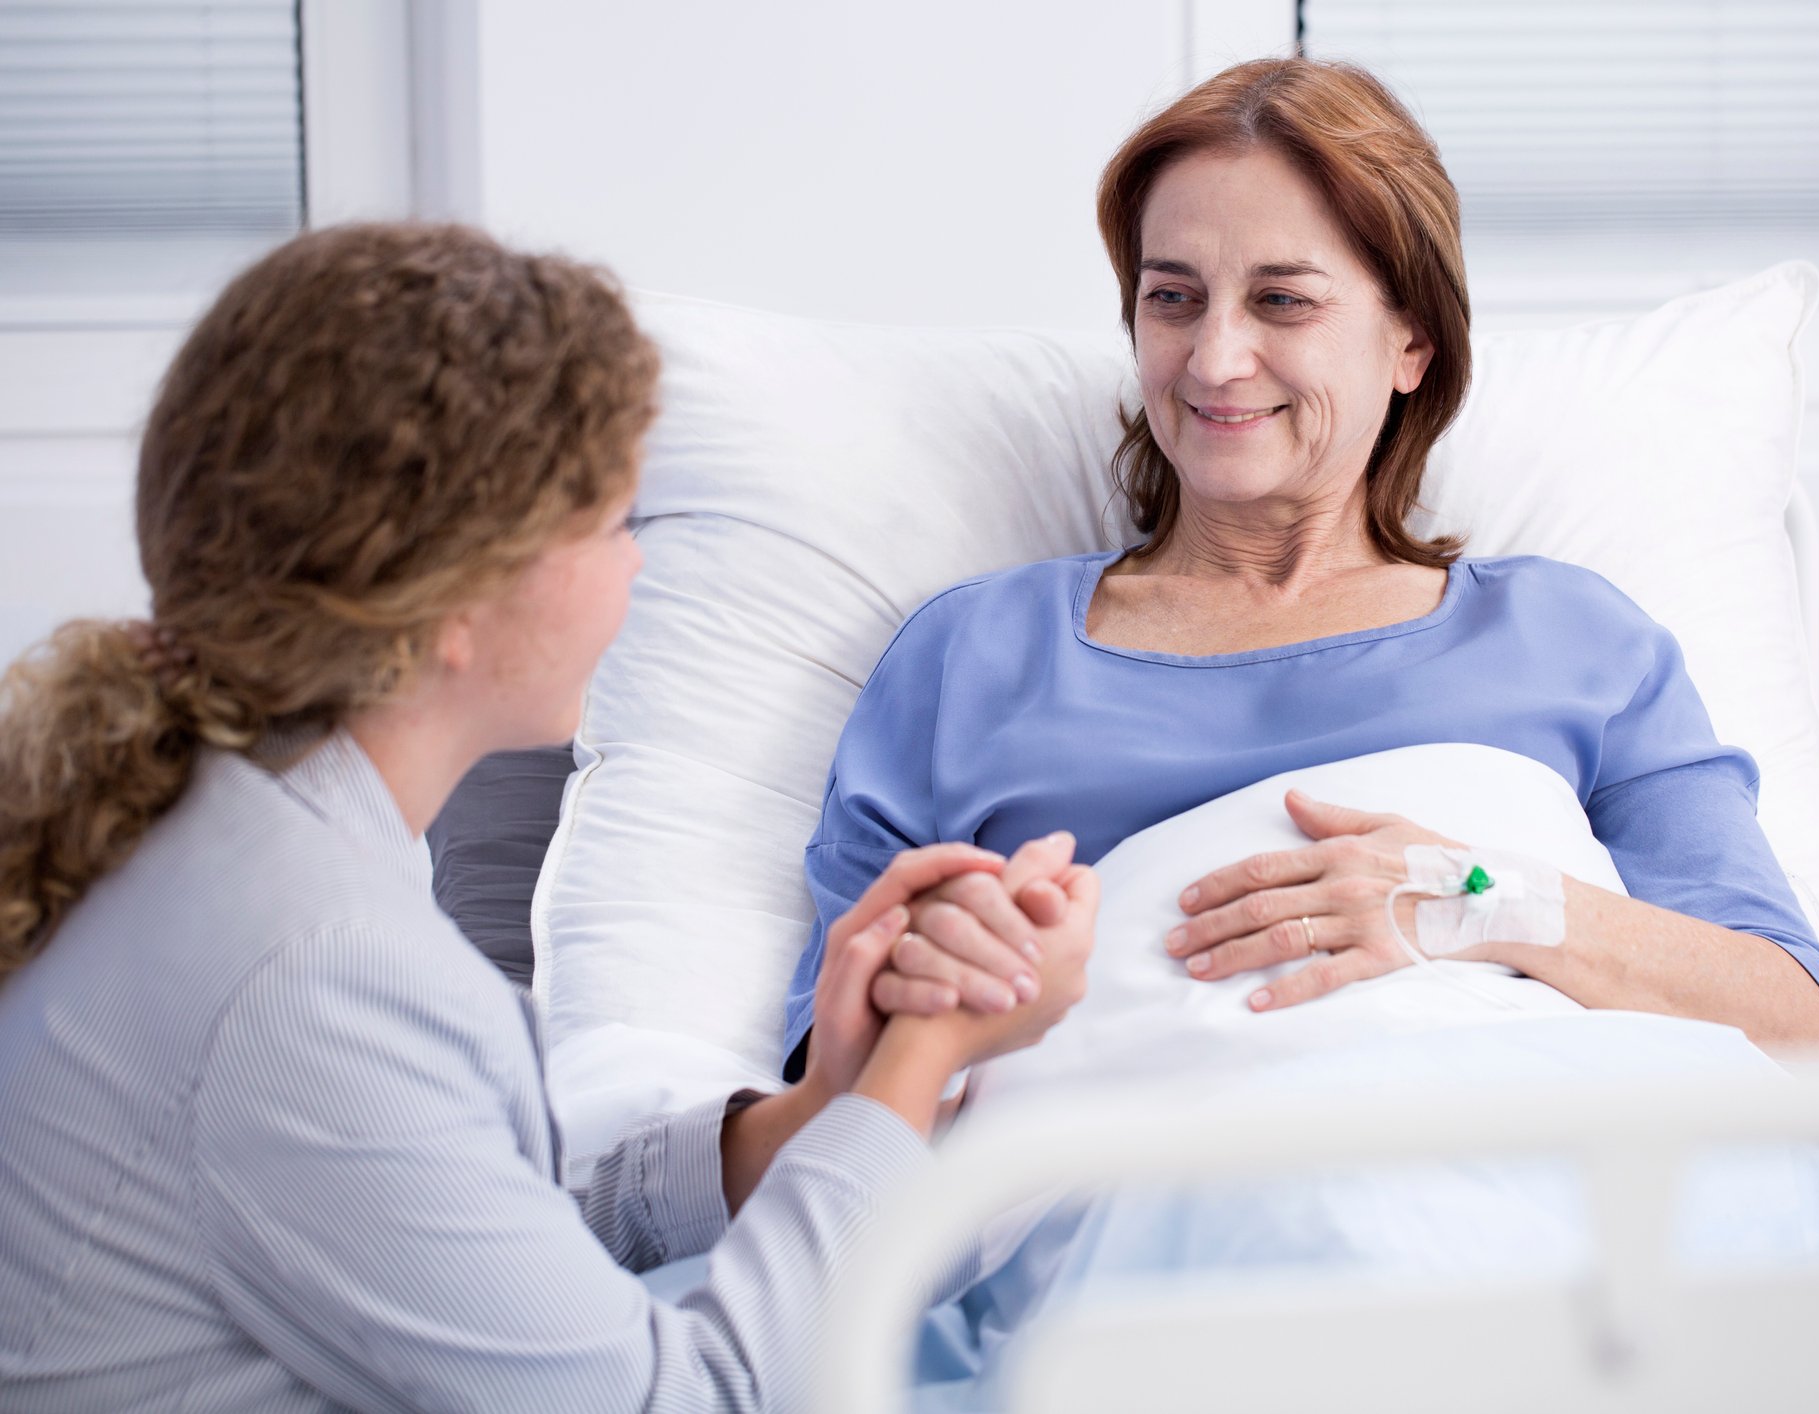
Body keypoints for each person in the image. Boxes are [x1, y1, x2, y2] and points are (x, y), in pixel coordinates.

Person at [0, 223, 1096, 1413]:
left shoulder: (216, 825)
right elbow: (685, 1401)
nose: (639, 569)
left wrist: (806, 1116)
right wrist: (924, 1055)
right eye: (618, 523)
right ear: (457, 601)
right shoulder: (321, 974)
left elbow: (447, 1219)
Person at [782, 56, 1819, 1077]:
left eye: (1282, 301)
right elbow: (828, 1085)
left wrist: (1478, 899)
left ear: (1412, 342)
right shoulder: (971, 656)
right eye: (1173, 297)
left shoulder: (1576, 641)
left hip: (1540, 1176)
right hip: (1130, 1212)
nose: (1213, 359)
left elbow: (1795, 1018)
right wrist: (927, 996)